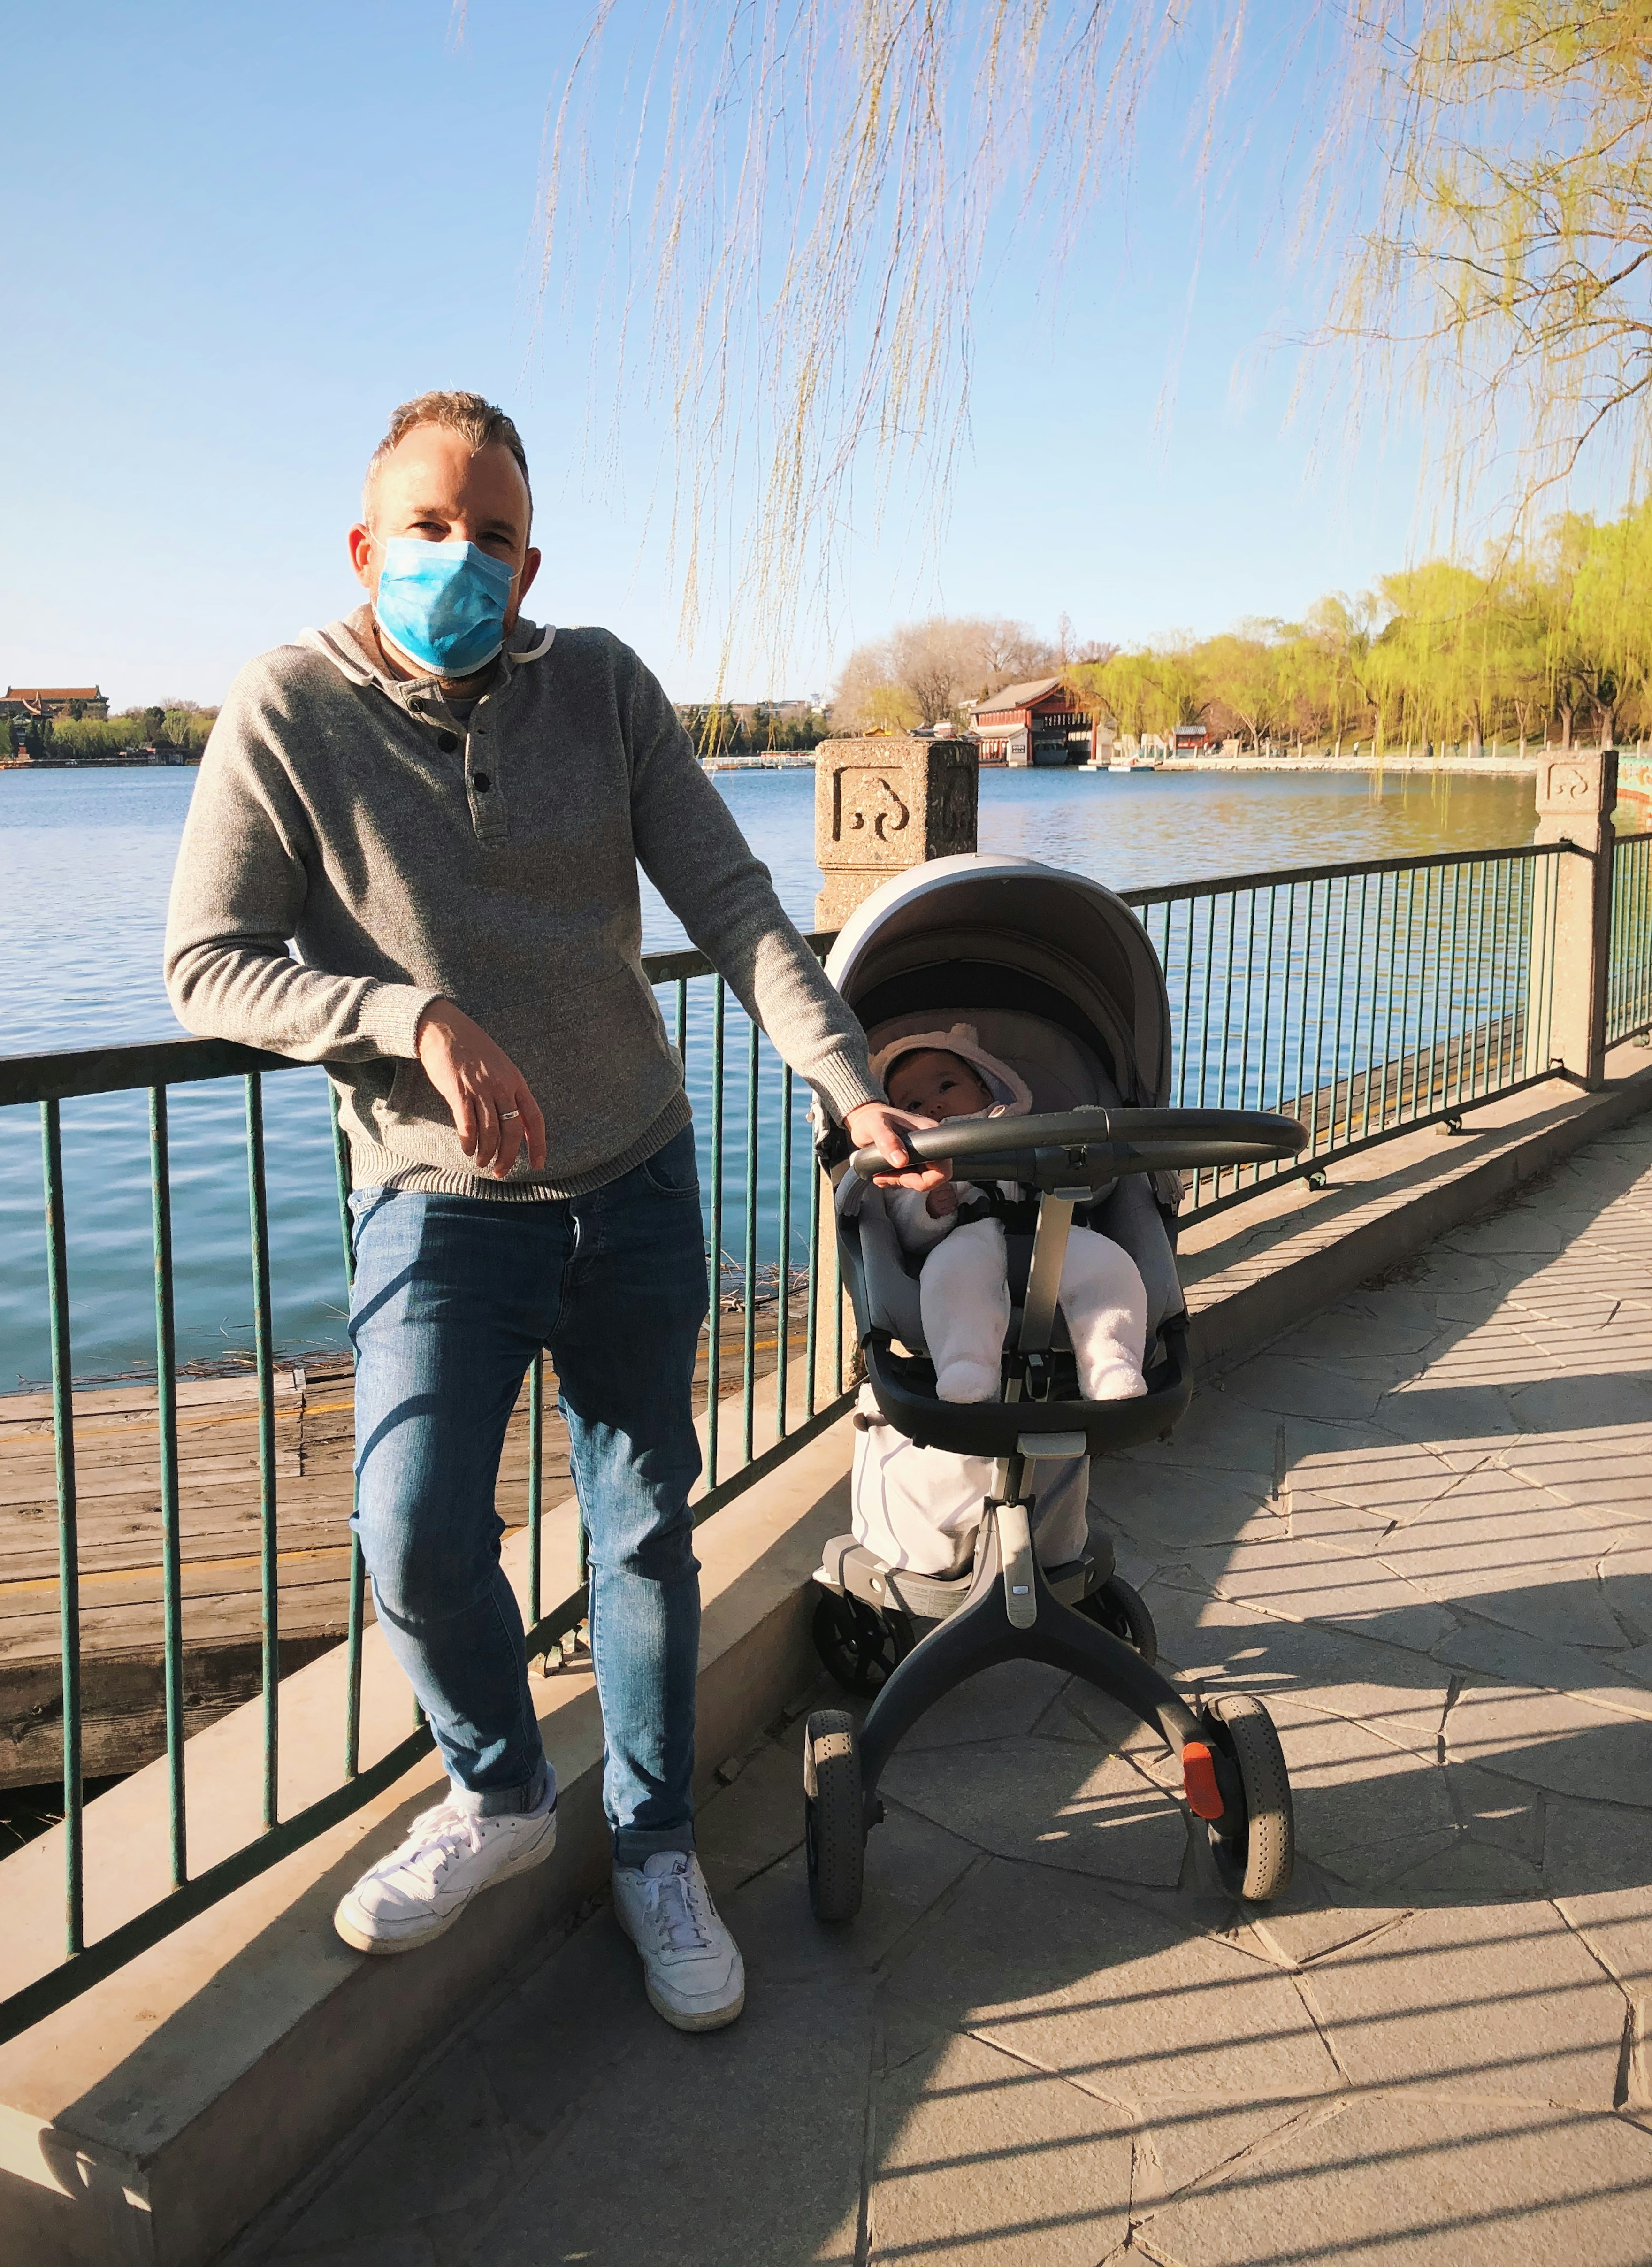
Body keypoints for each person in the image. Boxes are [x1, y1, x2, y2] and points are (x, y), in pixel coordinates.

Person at [163, 389, 939, 2034]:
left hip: (638, 1182)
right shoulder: (288, 708)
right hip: (439, 1209)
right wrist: (408, 1020)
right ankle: (501, 1794)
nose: (462, 558)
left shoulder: (599, 689)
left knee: (645, 1530)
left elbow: (733, 906)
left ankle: (657, 1848)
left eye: (493, 536)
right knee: (414, 1528)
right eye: (430, 529)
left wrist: (848, 1085)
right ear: (367, 547)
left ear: (531, 562)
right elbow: (206, 965)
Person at [872, 1030, 1149, 1403]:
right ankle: (966, 1367)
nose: (934, 1106)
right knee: (950, 1275)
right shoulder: (919, 1157)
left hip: (1055, 1227)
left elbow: (1096, 1185)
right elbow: (908, 1231)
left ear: (986, 1090)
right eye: (915, 1103)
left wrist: (1082, 1155)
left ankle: (1111, 1363)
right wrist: (929, 1208)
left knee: (1110, 1268)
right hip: (971, 1236)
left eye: (946, 1086)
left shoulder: (1026, 1125)